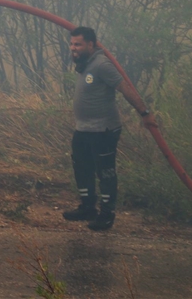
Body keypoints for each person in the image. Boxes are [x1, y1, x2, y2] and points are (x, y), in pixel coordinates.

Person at [62, 26, 156, 231]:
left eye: (78, 44)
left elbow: (125, 88)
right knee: (81, 168)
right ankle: (88, 208)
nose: (73, 48)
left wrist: (145, 113)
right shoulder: (85, 64)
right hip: (83, 129)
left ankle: (106, 215)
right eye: (71, 44)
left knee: (105, 172)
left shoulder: (102, 65)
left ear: (90, 44)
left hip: (103, 130)